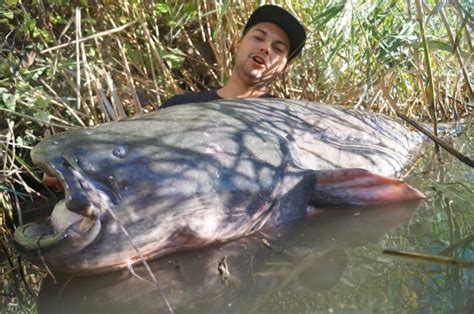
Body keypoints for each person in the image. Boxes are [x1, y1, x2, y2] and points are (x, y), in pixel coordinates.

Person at [160, 4, 306, 108]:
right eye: (258, 38)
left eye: (278, 48)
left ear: (284, 68)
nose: (265, 48)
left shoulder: (284, 119)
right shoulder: (178, 106)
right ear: (237, 43)